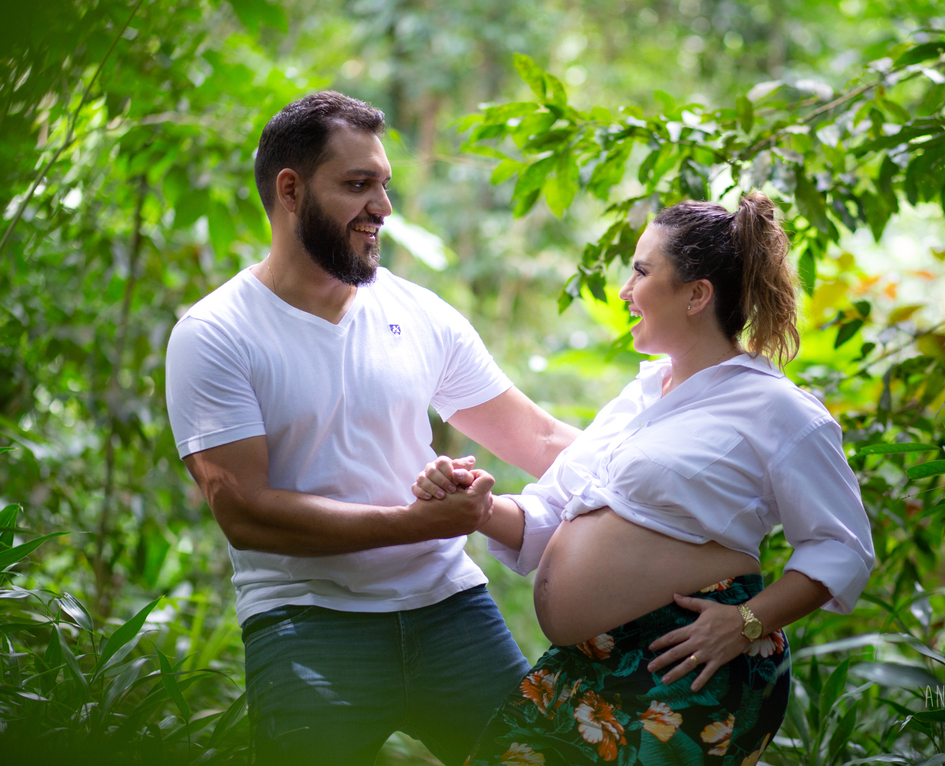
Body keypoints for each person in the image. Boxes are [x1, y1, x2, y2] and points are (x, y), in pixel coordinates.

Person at [164, 91, 578, 766]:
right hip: (305, 619)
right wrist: (416, 522)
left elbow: (539, 441)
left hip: (449, 607)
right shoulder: (215, 334)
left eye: (383, 185)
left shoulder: (420, 314)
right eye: (358, 185)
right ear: (290, 190)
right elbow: (243, 512)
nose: (382, 208)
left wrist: (664, 473)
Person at [415, 192, 875, 766]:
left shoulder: (780, 410)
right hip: (587, 667)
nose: (625, 291)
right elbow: (551, 512)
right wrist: (476, 505)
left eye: (640, 271)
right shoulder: (638, 397)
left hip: (685, 665)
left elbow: (842, 547)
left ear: (696, 294)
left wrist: (746, 622)